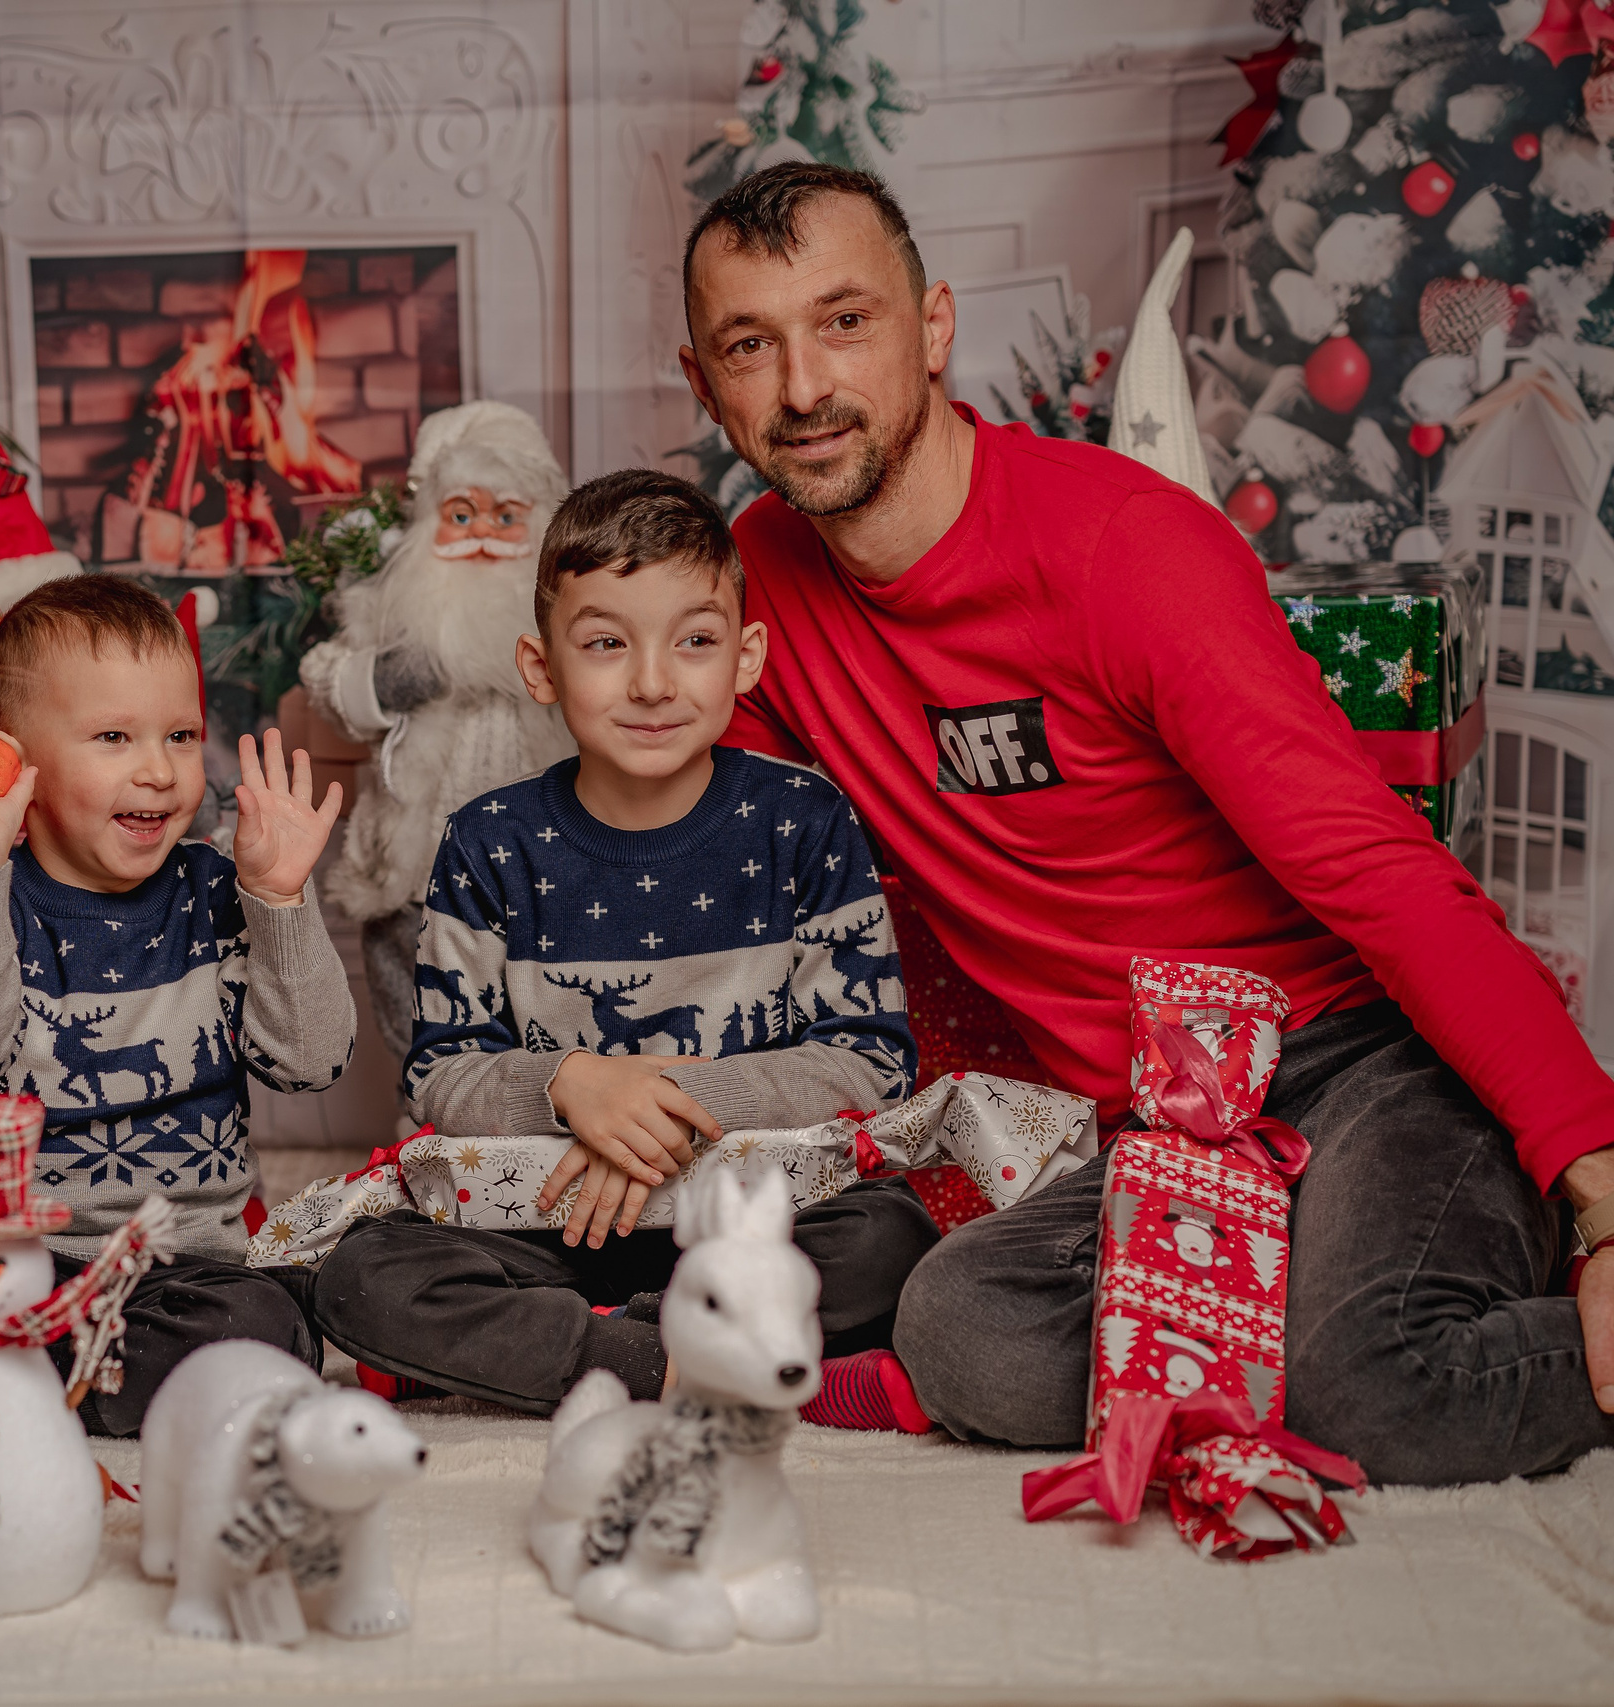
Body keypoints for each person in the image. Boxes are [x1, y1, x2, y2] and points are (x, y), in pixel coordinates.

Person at [684, 160, 1614, 1483]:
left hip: (1363, 1061)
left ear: (932, 326)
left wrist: (1600, 1181)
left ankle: (1404, 1300)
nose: (802, 387)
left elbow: (1379, 871)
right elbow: (733, 866)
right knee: (960, 1333)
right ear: (703, 379)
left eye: (845, 321)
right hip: (1163, 1121)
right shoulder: (760, 592)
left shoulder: (1126, 548)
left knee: (1375, 1388)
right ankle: (1300, 1296)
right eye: (749, 345)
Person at [309, 469, 935, 1429]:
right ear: (541, 667)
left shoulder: (804, 821)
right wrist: (572, 1087)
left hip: (750, 1216)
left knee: (891, 1236)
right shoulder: (489, 840)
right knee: (366, 1271)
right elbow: (441, 1073)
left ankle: (562, 1354)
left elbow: (875, 1059)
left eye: (694, 641)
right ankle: (692, 1355)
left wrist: (659, 1116)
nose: (652, 681)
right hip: (550, 1219)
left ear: (748, 656)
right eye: (606, 643)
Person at [0, 574, 355, 1435]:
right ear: (15, 757)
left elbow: (310, 1060)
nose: (158, 769)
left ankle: (8, 1384)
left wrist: (281, 900)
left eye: (181, 734)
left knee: (266, 1331)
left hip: (174, 1268)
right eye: (113, 736)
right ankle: (35, 1368)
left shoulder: (220, 888)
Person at [298, 401, 577, 1065]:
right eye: (459, 515)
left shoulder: (569, 621)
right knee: (417, 1014)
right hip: (416, 864)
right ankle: (420, 1126)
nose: (482, 532)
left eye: (506, 517)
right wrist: (397, 676)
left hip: (537, 864)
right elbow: (329, 681)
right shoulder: (388, 615)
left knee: (536, 1014)